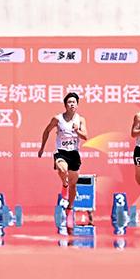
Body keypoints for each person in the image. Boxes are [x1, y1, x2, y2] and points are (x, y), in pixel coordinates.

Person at [38, 93, 87, 223]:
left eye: (74, 102)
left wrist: (77, 130)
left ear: (77, 104)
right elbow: (46, 131)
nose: (72, 104)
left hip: (74, 153)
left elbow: (85, 136)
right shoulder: (58, 119)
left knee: (73, 185)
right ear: (65, 105)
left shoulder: (80, 120)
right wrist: (42, 148)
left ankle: (69, 208)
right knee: (62, 169)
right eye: (69, 102)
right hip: (61, 151)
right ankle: (64, 184)